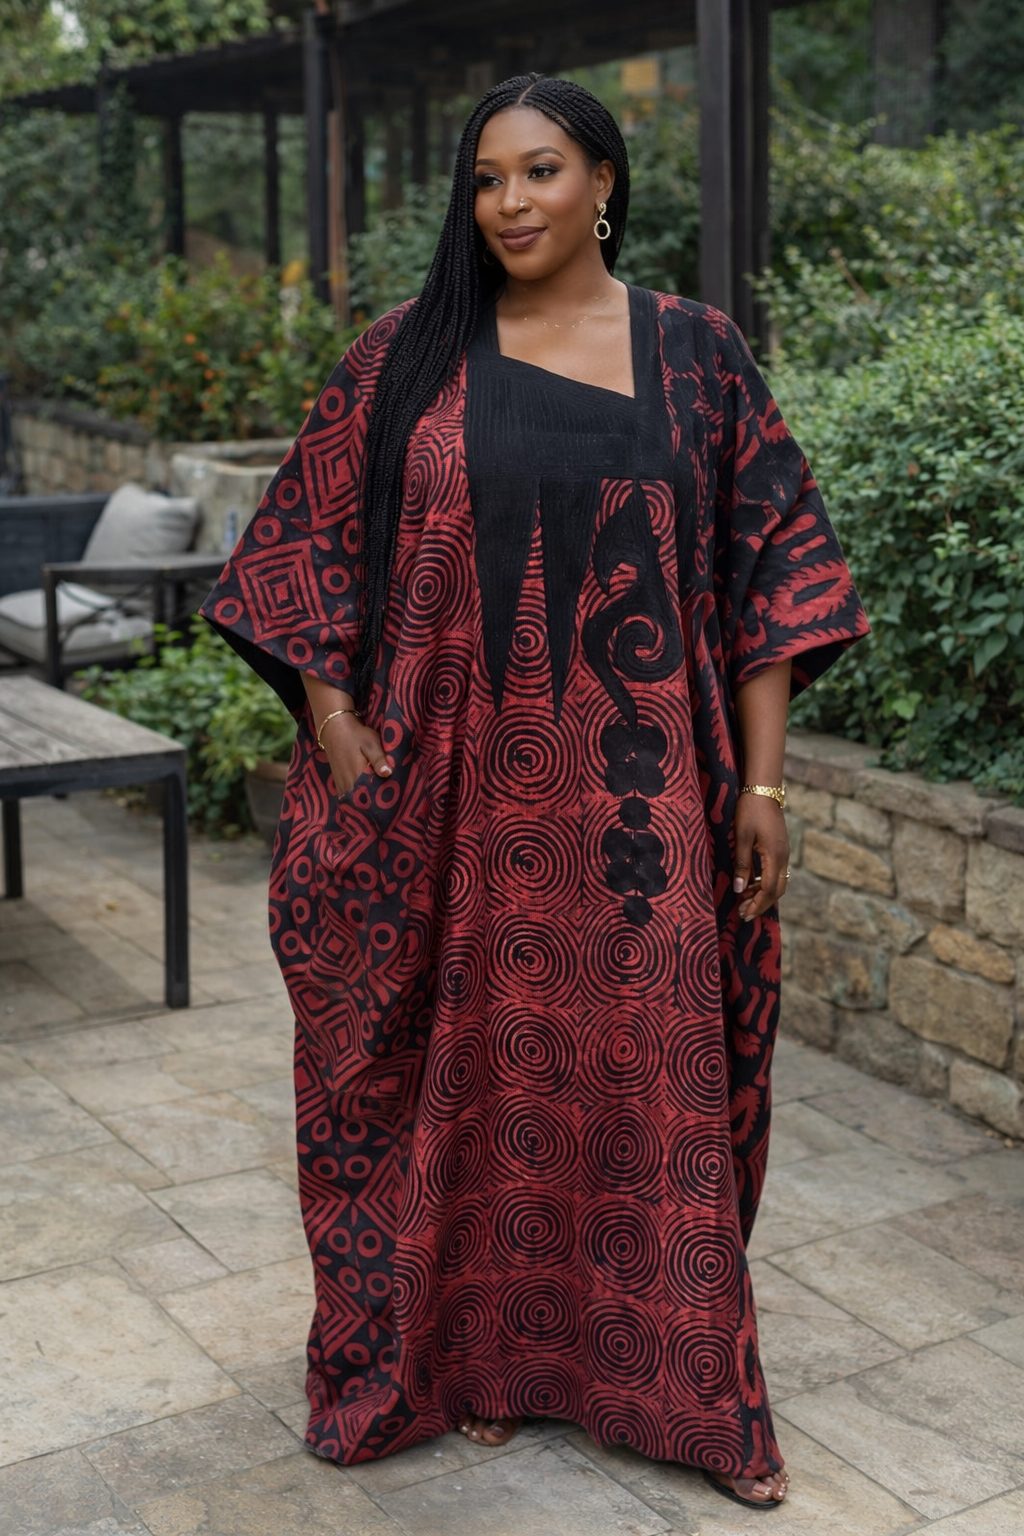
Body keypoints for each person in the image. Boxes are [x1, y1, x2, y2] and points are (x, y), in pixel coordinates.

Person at [201, 73, 867, 1511]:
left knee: (653, 1088)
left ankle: (681, 1391)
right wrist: (327, 715)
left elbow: (776, 570)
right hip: (453, 822)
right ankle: (478, 1364)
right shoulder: (407, 357)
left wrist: (761, 783)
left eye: (544, 171)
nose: (511, 202)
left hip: (642, 826)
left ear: (607, 183)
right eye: (489, 177)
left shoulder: (698, 357)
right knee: (478, 1079)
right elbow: (296, 548)